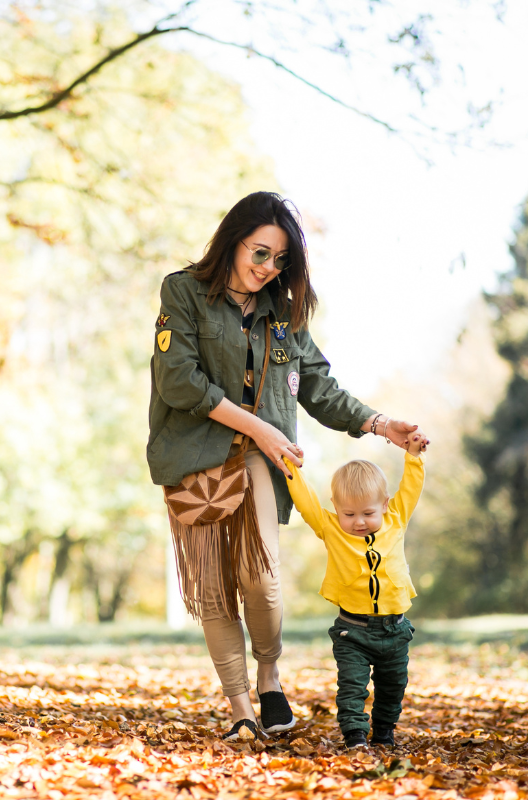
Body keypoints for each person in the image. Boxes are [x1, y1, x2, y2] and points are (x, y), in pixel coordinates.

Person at [147, 191, 428, 742]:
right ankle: (240, 709)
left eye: (279, 260)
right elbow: (177, 379)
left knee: (263, 580)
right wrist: (256, 426)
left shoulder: (284, 312)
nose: (268, 269)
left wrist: (380, 423)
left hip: (258, 456)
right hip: (195, 455)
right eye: (259, 254)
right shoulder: (182, 292)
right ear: (232, 242)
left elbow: (319, 388)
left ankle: (269, 673)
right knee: (212, 588)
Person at [283, 433, 428, 750]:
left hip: (395, 629)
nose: (358, 522)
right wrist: (290, 465)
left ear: (384, 506)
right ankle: (355, 736)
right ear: (336, 508)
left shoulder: (396, 519)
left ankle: (384, 734)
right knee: (352, 686)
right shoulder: (331, 528)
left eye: (367, 513)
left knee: (393, 686)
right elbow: (306, 501)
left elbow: (411, 488)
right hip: (353, 631)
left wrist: (414, 457)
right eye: (349, 514)